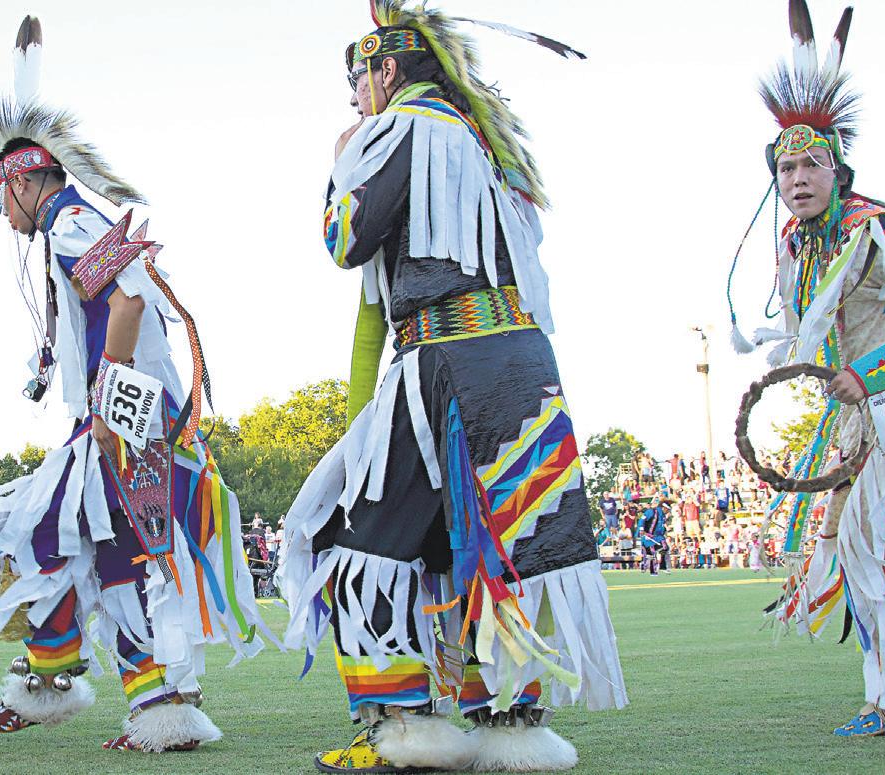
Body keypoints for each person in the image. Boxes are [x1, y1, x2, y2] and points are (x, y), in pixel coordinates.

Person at [277, 5, 626, 772]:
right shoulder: (484, 143)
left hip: (443, 361)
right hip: (520, 369)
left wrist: (341, 163)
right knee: (492, 543)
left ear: (388, 69)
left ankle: (405, 728)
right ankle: (511, 727)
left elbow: (345, 239)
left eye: (357, 81)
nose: (354, 99)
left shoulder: (404, 128)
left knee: (359, 538)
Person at [0, 17, 273, 754]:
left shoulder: (70, 221)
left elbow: (130, 299)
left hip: (127, 416)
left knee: (43, 532)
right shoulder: (73, 224)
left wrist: (107, 405)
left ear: (22, 179)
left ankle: (50, 680)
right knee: (116, 554)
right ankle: (154, 707)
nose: (0, 211)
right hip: (139, 414)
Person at [729, 0, 885, 738]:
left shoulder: (881, 228)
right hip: (859, 411)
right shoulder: (796, 244)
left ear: (837, 168)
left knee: (874, 539)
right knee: (867, 540)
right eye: (784, 167)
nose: (796, 178)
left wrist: (877, 372)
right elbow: (811, 330)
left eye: (809, 164)